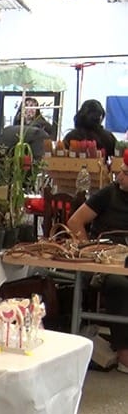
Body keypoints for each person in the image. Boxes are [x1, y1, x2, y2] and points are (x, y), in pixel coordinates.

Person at [67, 155, 128, 372]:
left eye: (126, 173)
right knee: (119, 285)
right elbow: (75, 222)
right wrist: (89, 251)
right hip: (104, 263)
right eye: (121, 170)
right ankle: (124, 353)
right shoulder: (108, 194)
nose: (120, 176)